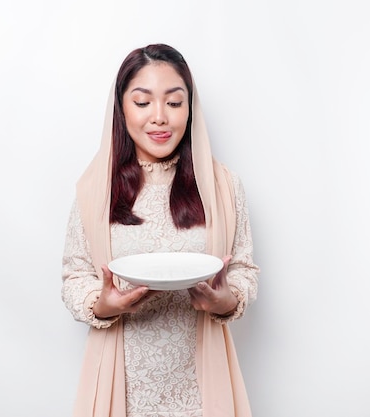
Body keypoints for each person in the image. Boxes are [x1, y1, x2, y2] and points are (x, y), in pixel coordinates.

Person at [61, 43, 259, 417]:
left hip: (202, 383)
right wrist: (101, 305)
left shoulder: (223, 187)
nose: (160, 118)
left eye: (173, 102)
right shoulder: (94, 190)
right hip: (120, 381)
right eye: (142, 102)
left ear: (190, 108)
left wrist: (226, 300)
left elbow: (244, 271)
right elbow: (75, 275)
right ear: (121, 109)